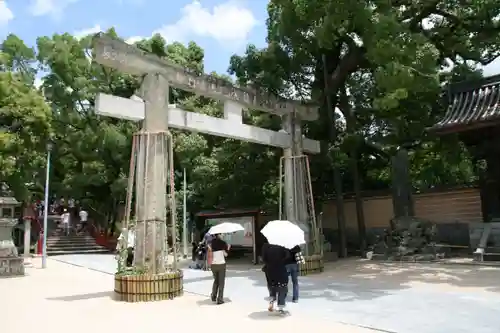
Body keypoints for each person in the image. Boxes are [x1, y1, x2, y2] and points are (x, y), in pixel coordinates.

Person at [262, 243, 290, 314]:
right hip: (280, 270)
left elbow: (264, 259)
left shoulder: (266, 246)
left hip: (270, 270)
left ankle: (271, 301)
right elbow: (287, 257)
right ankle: (280, 308)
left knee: (272, 286)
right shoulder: (282, 246)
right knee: (282, 289)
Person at [209, 233, 230, 304]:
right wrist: (228, 248)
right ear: (219, 234)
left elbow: (210, 250)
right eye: (222, 234)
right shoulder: (223, 243)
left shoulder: (212, 242)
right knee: (221, 282)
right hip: (221, 264)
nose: (223, 235)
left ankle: (213, 296)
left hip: (213, 265)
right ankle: (220, 299)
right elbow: (226, 255)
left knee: (216, 280)